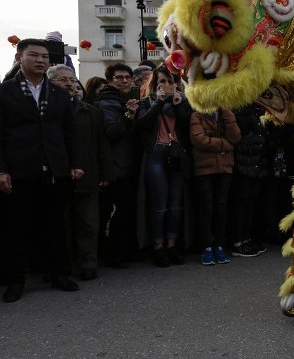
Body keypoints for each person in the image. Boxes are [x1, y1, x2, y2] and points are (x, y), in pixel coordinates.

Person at [0, 39, 83, 302]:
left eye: (45, 57)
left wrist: (75, 163)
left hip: (55, 169)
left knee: (57, 225)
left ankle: (59, 273)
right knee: (16, 228)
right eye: (34, 55)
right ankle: (16, 280)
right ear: (19, 58)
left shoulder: (59, 94)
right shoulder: (5, 92)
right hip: (19, 170)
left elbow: (70, 132)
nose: (40, 60)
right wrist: (2, 170)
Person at [47, 64, 113, 281]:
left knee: (89, 223)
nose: (69, 84)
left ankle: (88, 263)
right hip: (57, 176)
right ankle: (61, 266)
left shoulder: (91, 111)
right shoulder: (46, 109)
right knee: (60, 224)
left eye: (72, 80)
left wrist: (105, 173)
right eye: (62, 80)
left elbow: (101, 144)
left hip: (88, 175)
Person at [136, 65, 193, 266]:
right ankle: (158, 246)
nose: (166, 85)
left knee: (176, 205)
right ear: (155, 83)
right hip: (156, 154)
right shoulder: (147, 101)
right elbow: (141, 124)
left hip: (177, 153)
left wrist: (178, 105)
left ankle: (172, 244)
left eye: (170, 81)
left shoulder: (183, 101)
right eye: (162, 81)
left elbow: (188, 127)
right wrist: (158, 104)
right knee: (159, 206)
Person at [95, 63, 141, 268]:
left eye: (127, 77)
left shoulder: (126, 100)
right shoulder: (106, 103)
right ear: (110, 80)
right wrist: (129, 115)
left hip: (128, 163)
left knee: (128, 210)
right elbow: (113, 132)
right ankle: (114, 254)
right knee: (119, 212)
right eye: (118, 77)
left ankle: (126, 250)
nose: (124, 80)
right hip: (116, 166)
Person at [190, 108, 241, 264]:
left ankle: (219, 245)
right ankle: (206, 247)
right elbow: (199, 140)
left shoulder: (227, 114)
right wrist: (226, 144)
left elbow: (236, 137)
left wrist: (228, 115)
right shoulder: (197, 115)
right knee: (207, 208)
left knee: (221, 207)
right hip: (204, 169)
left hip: (225, 168)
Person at [229, 103, 271, 258]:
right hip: (244, 162)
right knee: (241, 203)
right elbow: (239, 139)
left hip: (257, 162)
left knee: (250, 203)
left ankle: (246, 239)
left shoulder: (258, 108)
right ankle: (238, 242)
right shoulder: (241, 109)